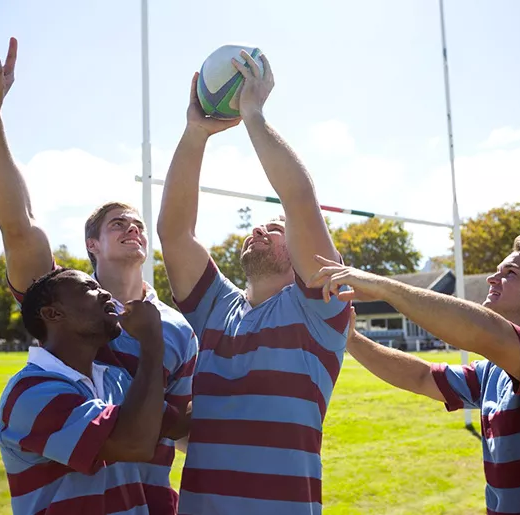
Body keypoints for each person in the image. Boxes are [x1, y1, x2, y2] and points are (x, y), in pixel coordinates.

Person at [0, 38, 197, 513]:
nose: (132, 228)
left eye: (138, 224)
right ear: (92, 245)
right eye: (117, 223)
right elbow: (19, 224)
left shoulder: (177, 329)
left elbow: (185, 428)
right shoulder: (64, 296)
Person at [157, 51, 351, 515]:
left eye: (276, 228)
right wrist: (195, 133)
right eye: (260, 224)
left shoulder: (322, 311)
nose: (260, 229)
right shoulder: (212, 308)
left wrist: (254, 115)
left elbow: (299, 198)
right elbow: (174, 234)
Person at [307, 234, 520, 515]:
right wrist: (352, 338)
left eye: (510, 273)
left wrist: (384, 288)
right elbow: (421, 377)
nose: (493, 278)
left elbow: (484, 332)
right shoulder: (494, 372)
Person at [0, 268, 186, 514]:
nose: (105, 293)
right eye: (89, 288)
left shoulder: (114, 379)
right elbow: (133, 444)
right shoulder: (30, 394)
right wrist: (151, 340)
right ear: (52, 313)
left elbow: (176, 424)